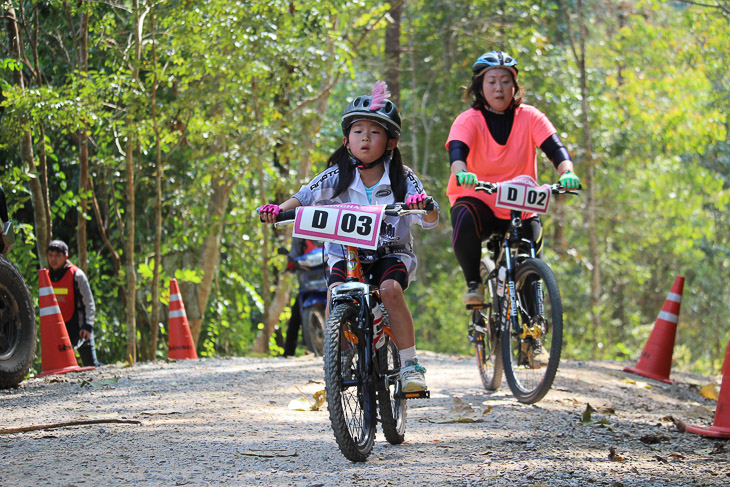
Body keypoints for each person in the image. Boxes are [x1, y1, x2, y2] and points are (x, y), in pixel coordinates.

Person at [260, 81, 439, 392]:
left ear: (391, 142)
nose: (366, 138)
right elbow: (303, 197)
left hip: (390, 254)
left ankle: (411, 364)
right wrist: (278, 210)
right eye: (358, 131)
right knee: (336, 294)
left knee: (390, 289)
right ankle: (340, 357)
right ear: (346, 140)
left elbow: (430, 217)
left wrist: (424, 206)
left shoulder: (402, 177)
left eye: (375, 132)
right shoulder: (334, 177)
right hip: (346, 253)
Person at [445, 50, 581, 305]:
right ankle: (474, 283)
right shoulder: (468, 120)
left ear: (514, 86)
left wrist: (567, 172)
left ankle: (534, 331)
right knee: (463, 216)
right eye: (492, 81)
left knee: (533, 259)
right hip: (480, 199)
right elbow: (457, 152)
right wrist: (461, 172)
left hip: (521, 203)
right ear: (480, 87)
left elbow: (555, 148)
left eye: (505, 81)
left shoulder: (530, 116)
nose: (499, 88)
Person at [45, 240, 101, 367]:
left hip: (80, 328)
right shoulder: (46, 277)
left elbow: (89, 302)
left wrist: (88, 326)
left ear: (66, 256)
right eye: (51, 255)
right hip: (59, 331)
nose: (53, 259)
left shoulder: (77, 275)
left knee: (91, 365)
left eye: (57, 256)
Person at [282, 237, 327, 357]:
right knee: (295, 314)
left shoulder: (331, 229)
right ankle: (288, 353)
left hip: (329, 281)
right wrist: (291, 263)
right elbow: (292, 257)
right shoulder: (300, 238)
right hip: (308, 285)